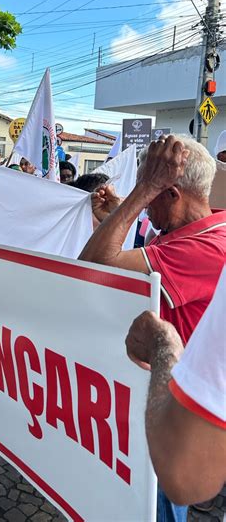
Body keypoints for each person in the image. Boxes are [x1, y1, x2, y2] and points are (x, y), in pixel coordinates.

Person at [79, 134, 225, 522]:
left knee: (157, 506)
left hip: (173, 417)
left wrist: (140, 192)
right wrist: (124, 212)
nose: (142, 203)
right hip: (174, 404)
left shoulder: (205, 248)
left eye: (151, 192)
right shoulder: (208, 228)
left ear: (171, 193)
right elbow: (152, 244)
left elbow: (89, 270)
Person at [125, 264, 226, 507]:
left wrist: (163, 345)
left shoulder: (205, 243)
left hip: (184, 425)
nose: (152, 224)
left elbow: (186, 476)